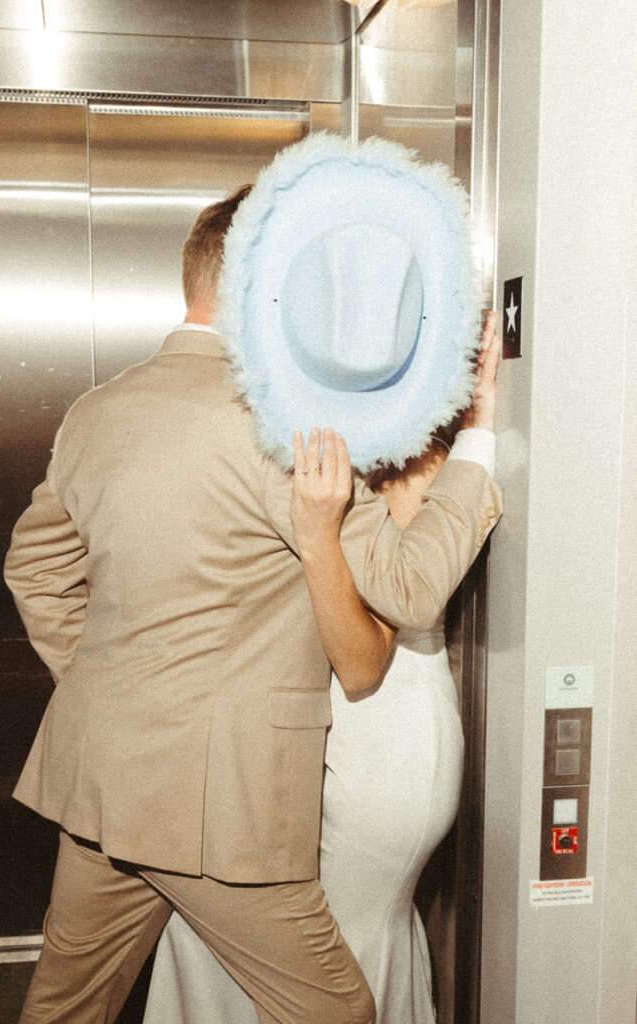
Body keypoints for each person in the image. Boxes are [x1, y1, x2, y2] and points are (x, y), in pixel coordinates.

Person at [4, 134, 501, 1024]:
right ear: (255, 283)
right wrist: (478, 445)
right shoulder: (284, 427)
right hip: (216, 803)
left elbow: (35, 566)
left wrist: (108, 682)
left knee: (65, 1004)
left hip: (101, 776)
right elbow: (412, 590)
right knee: (338, 1011)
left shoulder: (97, 410)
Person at [142, 316, 499, 1024]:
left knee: (333, 934)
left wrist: (479, 430)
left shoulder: (407, 451)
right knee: (250, 936)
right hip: (308, 718)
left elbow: (382, 623)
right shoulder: (307, 429)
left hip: (376, 721)